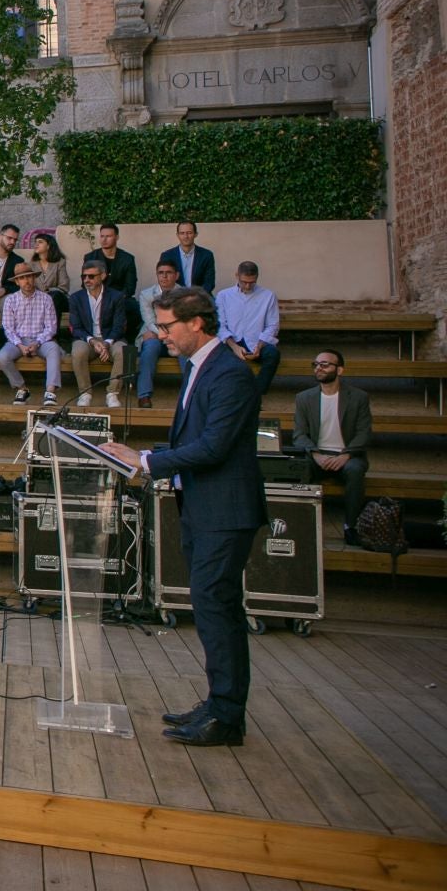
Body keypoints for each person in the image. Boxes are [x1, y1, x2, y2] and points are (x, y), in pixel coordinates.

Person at [99, 288, 263, 748]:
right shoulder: (199, 368)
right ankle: (219, 704)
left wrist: (147, 461)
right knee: (214, 609)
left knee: (217, 610)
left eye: (168, 327)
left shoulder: (229, 374)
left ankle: (227, 715)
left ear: (197, 323)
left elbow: (214, 446)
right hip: (204, 507)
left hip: (225, 512)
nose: (161, 335)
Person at [292, 349, 373, 546]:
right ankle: (303, 525)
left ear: (340, 370)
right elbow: (299, 435)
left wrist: (345, 455)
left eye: (325, 364)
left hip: (348, 456)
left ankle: (350, 527)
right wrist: (316, 454)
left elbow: (364, 433)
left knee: (355, 471)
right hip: (316, 455)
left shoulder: (358, 397)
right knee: (298, 469)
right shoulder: (304, 398)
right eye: (316, 364)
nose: (319, 367)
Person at [0, 263, 62, 405]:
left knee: (54, 349)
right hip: (18, 341)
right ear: (17, 282)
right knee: (2, 356)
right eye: (22, 278)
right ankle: (22, 388)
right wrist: (20, 345)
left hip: (41, 340)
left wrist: (37, 342)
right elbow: (8, 328)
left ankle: (50, 392)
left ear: (34, 278)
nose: (27, 281)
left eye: (29, 277)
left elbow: (51, 327)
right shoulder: (10, 300)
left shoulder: (46, 299)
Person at [215, 262, 281, 395]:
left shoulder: (268, 295)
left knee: (273, 355)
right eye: (244, 281)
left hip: (257, 341)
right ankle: (224, 393)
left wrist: (260, 345)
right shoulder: (224, 295)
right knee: (217, 355)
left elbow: (273, 325)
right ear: (237, 276)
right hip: (231, 341)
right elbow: (219, 325)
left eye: (252, 282)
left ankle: (256, 393)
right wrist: (234, 346)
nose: (247, 285)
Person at [69, 260, 129, 407]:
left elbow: (119, 326)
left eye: (91, 276)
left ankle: (112, 394)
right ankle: (85, 393)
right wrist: (93, 341)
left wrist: (107, 343)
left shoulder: (117, 297)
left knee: (123, 351)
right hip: (87, 338)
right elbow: (76, 327)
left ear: (102, 276)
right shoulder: (76, 298)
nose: (86, 280)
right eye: (84, 277)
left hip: (111, 338)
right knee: (78, 352)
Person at [134, 260, 182, 408]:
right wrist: (162, 334)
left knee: (187, 350)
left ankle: (191, 393)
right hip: (154, 333)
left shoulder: (185, 294)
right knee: (150, 348)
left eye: (168, 273)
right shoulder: (147, 294)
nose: (164, 276)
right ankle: (144, 396)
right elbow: (149, 320)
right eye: (161, 273)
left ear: (176, 275)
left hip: (177, 336)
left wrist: (172, 336)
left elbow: (184, 320)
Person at [158, 220, 216, 293]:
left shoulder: (206, 255)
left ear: (195, 234)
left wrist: (195, 297)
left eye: (189, 233)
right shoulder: (167, 255)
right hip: (175, 296)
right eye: (182, 233)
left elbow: (209, 283)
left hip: (200, 297)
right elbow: (165, 281)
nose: (186, 236)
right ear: (177, 235)